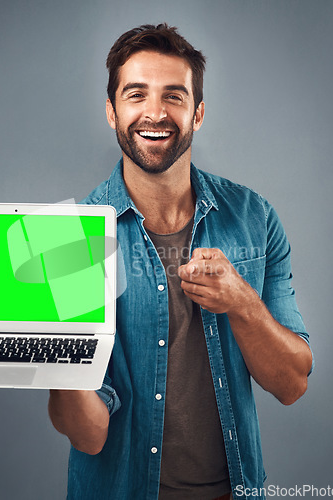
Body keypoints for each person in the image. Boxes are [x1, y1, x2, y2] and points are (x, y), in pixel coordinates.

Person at [48, 23, 313, 500]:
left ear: (198, 113)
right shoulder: (73, 239)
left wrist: (242, 305)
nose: (155, 112)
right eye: (136, 95)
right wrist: (56, 357)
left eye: (174, 95)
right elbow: (89, 434)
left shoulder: (254, 217)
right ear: (112, 112)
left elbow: (292, 383)